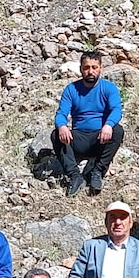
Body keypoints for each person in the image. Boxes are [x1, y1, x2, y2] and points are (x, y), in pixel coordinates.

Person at [53, 50, 125, 196]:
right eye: (86, 68)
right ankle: (75, 176)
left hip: (100, 138)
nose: (90, 71)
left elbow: (116, 110)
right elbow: (61, 113)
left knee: (118, 131)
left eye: (94, 67)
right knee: (55, 135)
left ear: (100, 68)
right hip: (79, 137)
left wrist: (108, 125)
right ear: (81, 69)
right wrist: (62, 126)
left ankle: (97, 171)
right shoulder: (71, 89)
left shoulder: (109, 88)